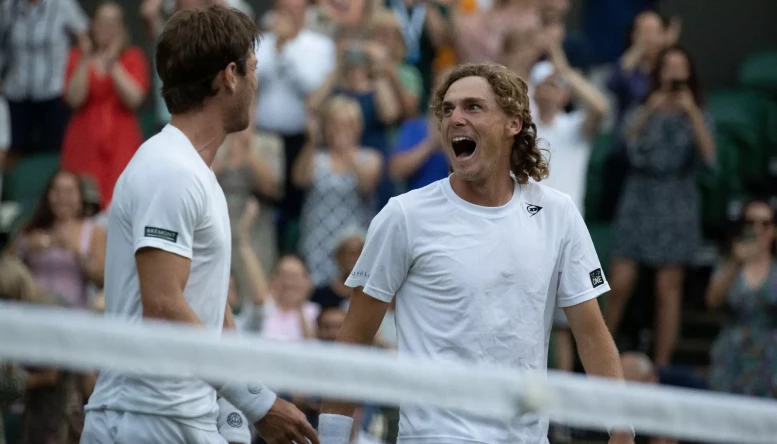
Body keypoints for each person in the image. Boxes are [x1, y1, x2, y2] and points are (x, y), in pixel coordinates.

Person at [317, 62, 634, 444]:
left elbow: (591, 333)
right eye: (448, 110)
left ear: (512, 123)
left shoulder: (558, 213)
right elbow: (354, 339)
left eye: (473, 107)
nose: (456, 118)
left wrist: (621, 427)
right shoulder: (403, 216)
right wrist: (332, 439)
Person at [80, 6, 318, 444]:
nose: (256, 83)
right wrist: (259, 402)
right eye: (253, 69)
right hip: (143, 420)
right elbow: (165, 305)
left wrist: (233, 419)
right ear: (230, 76)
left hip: (182, 418)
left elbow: (210, 304)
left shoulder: (191, 171)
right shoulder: (170, 170)